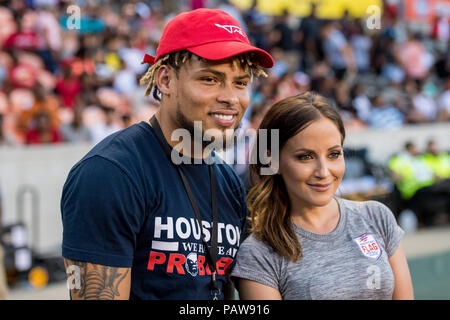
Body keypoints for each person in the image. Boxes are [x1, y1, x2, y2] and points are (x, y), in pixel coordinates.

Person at [61, 8, 273, 300]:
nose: (230, 97)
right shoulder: (110, 173)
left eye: (240, 82)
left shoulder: (228, 181)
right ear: (165, 80)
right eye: (210, 79)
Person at [231, 92, 414, 300]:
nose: (324, 172)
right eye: (305, 157)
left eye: (334, 154)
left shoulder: (377, 216)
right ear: (272, 161)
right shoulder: (258, 253)